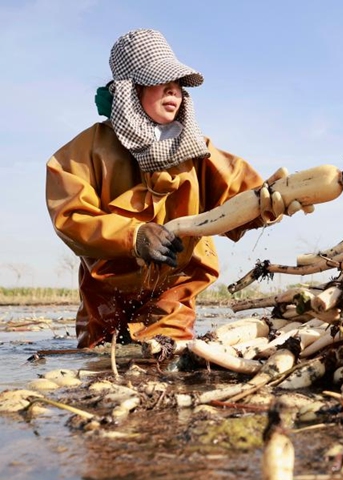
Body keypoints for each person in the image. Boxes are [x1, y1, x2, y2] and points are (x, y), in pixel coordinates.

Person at [46, 29, 288, 348]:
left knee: (163, 356)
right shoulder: (83, 152)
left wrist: (272, 202)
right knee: (101, 362)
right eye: (161, 81)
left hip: (174, 294)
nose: (173, 90)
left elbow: (241, 197)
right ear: (128, 91)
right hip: (106, 297)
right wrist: (134, 236)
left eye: (178, 84)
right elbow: (71, 217)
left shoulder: (198, 151)